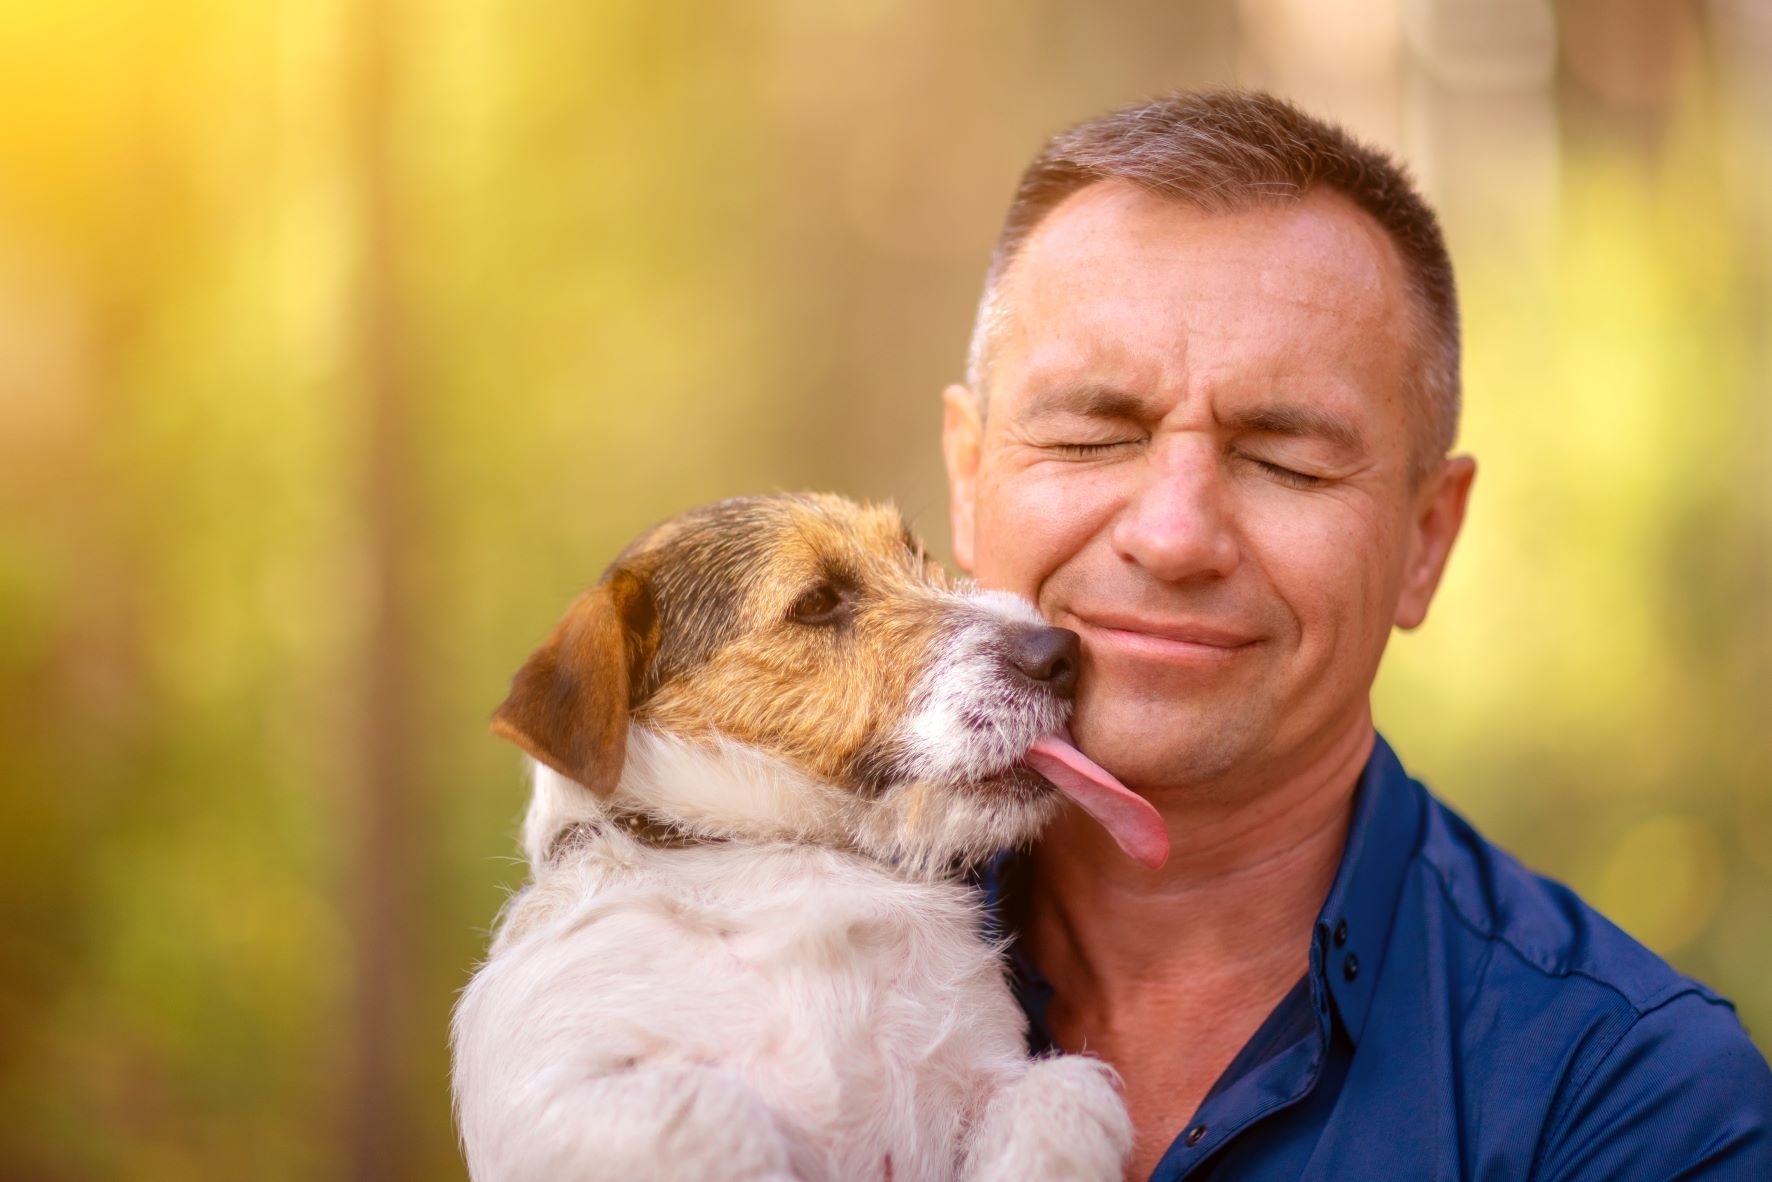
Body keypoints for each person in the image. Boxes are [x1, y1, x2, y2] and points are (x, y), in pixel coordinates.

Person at [941, 89, 1772, 1181]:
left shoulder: (1628, 1103)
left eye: (1283, 460)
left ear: (1426, 539)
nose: (1174, 534)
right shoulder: (719, 951)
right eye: (1094, 435)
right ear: (967, 478)